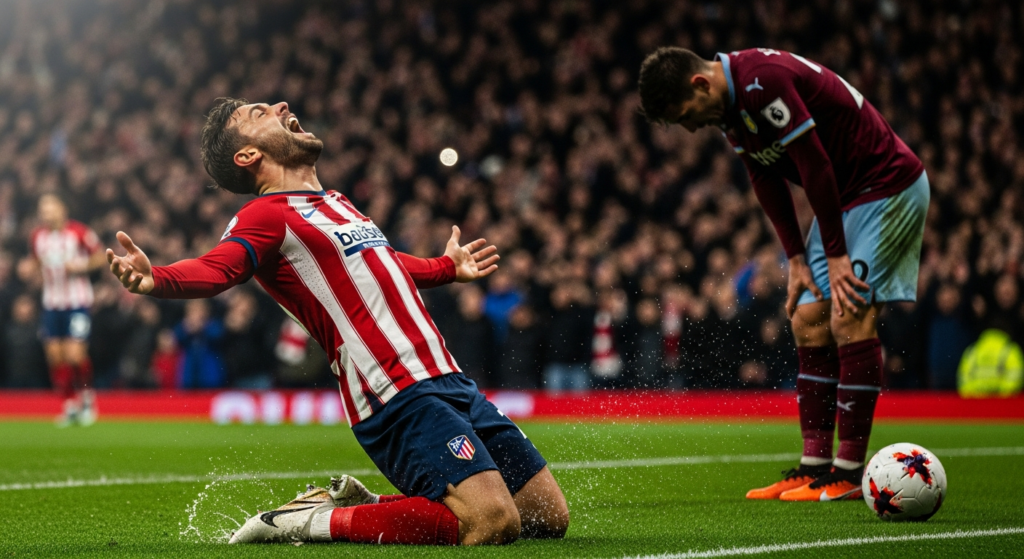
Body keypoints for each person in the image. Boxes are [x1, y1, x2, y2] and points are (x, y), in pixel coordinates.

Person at [106, 98, 569, 546]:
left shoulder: (337, 202)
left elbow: (382, 262)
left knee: (547, 516)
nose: (282, 106)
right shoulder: (264, 215)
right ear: (247, 156)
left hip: (449, 377)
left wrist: (446, 267)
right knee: (492, 522)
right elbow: (218, 268)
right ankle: (309, 521)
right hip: (392, 391)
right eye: (259, 113)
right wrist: (157, 278)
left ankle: (365, 505)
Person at [638, 47, 929, 501]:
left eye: (686, 115)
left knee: (848, 314)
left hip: (885, 185)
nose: (690, 128)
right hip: (844, 198)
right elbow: (765, 177)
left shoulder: (763, 80)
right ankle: (814, 467)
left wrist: (835, 253)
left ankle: (849, 471)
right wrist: (794, 258)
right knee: (807, 317)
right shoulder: (730, 111)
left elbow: (815, 164)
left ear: (700, 84)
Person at [29, 194, 106, 425]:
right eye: (42, 209)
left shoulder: (79, 232)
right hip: (51, 304)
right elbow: (37, 262)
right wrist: (30, 269)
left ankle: (87, 398)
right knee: (55, 357)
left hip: (77, 303)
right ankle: (70, 404)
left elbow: (100, 257)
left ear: (62, 209)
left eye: (50, 207)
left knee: (75, 355)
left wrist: (80, 266)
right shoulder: (37, 236)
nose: (46, 213)